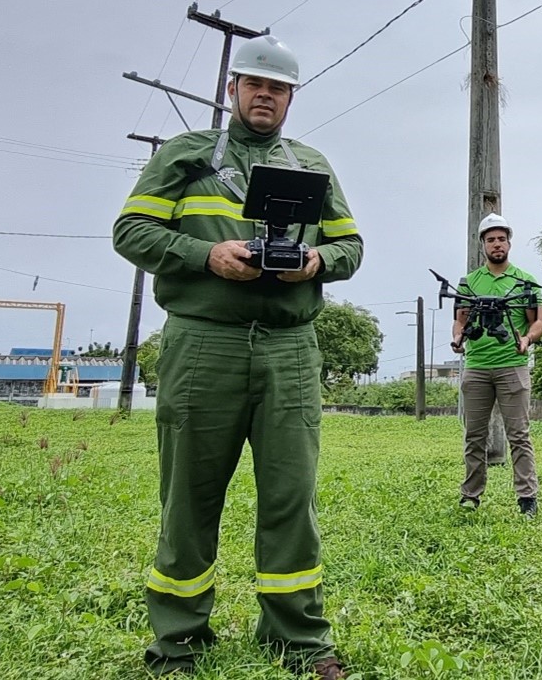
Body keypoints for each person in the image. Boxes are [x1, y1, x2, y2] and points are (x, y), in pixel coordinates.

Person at [113, 35, 361, 679]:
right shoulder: (184, 155)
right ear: (232, 89)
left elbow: (351, 246)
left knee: (291, 494)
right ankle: (178, 640)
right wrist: (207, 256)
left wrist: (317, 260)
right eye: (254, 84)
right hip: (203, 343)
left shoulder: (311, 164)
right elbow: (131, 230)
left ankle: (298, 639)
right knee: (189, 495)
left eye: (277, 88)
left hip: (291, 348)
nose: (265, 97)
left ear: (291, 97)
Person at [452, 213, 542, 516]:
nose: (496, 244)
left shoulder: (525, 281)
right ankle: (471, 495)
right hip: (477, 366)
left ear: (509, 243)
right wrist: (458, 339)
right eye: (490, 239)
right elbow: (460, 320)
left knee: (518, 434)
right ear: (483, 245)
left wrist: (527, 340)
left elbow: (538, 323)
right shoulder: (469, 281)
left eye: (501, 238)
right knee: (474, 435)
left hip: (511, 365)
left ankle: (527, 498)